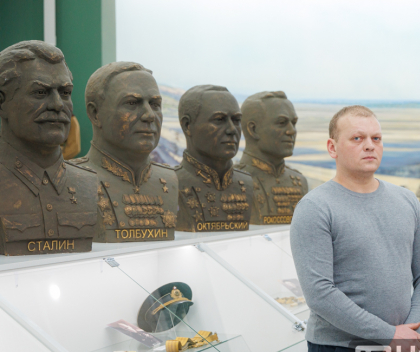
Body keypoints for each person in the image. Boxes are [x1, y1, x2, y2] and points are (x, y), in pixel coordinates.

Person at [291, 105, 420, 352]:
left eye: (376, 138)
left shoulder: (406, 201)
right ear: (332, 147)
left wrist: (410, 335)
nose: (370, 146)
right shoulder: (315, 208)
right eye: (357, 138)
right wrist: (388, 335)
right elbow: (319, 293)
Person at [0, 40, 98, 255]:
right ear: (2, 102)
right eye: (40, 93)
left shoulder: (91, 183)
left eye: (65, 93)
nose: (57, 105)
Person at [72, 62, 178, 242]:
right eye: (131, 103)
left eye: (155, 104)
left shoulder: (170, 179)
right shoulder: (72, 180)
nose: (149, 115)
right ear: (95, 113)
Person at [175, 85, 254, 232]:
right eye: (219, 120)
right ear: (187, 126)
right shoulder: (171, 183)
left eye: (236, 120)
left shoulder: (247, 183)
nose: (232, 130)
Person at [235, 91, 308, 225]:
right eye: (282, 123)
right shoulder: (231, 182)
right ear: (253, 129)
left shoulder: (299, 182)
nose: (291, 131)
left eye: (293, 123)